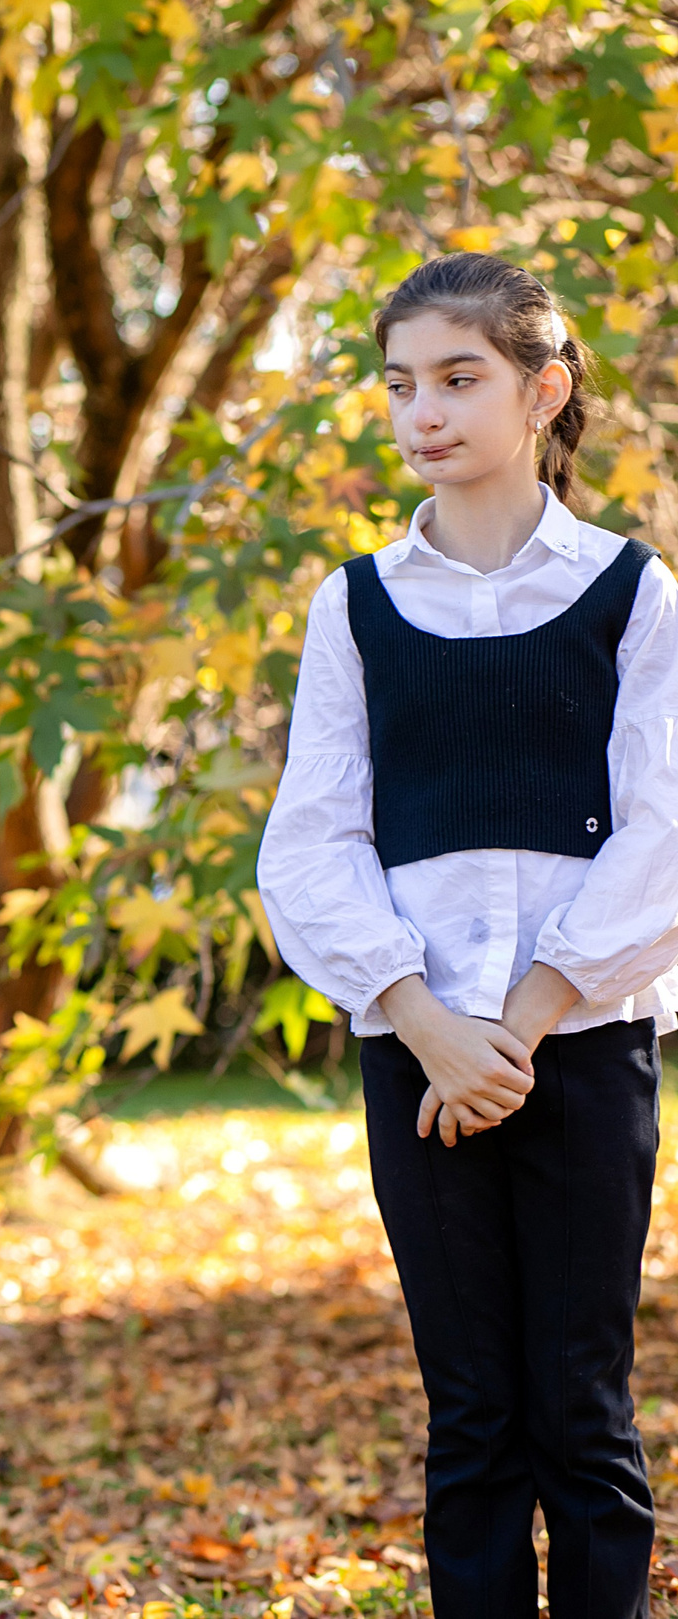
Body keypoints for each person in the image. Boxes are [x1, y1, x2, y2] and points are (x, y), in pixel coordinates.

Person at [258, 252, 678, 1619]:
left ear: (542, 391)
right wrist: (428, 1022)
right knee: (474, 1414)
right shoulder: (356, 605)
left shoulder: (633, 593)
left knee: (583, 1407)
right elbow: (311, 841)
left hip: (587, 1045)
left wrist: (526, 1022)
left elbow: (664, 829)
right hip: (419, 1057)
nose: (422, 412)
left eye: (457, 378)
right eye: (399, 385)